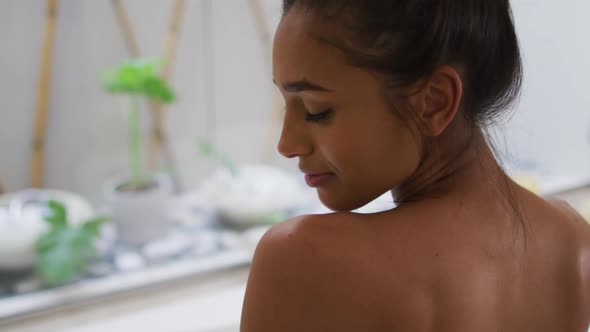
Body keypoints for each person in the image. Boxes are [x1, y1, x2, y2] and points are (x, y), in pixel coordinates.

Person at [240, 1, 590, 331]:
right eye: (286, 104)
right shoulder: (574, 243)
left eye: (316, 110)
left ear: (434, 101)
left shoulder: (300, 260)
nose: (286, 145)